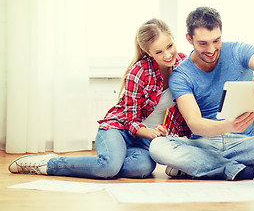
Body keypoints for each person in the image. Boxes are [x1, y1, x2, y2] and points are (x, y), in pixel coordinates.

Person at [8, 18, 190, 179]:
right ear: (148, 53)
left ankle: (108, 161)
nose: (167, 55)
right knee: (109, 167)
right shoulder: (139, 72)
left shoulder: (183, 66)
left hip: (145, 140)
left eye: (170, 46)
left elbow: (186, 112)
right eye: (158, 52)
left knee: (142, 169)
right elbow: (129, 120)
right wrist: (151, 133)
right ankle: (49, 164)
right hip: (119, 128)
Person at [149, 7, 254, 181]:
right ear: (189, 39)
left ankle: (198, 167)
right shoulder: (180, 75)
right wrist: (228, 126)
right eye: (203, 43)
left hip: (244, 144)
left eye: (216, 40)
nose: (212, 49)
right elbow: (195, 124)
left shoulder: (239, 51)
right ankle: (247, 172)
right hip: (204, 145)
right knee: (157, 146)